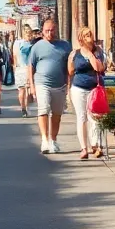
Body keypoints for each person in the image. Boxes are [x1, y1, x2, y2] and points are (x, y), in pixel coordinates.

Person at [27, 19, 71, 154]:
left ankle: (53, 140)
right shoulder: (37, 46)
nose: (49, 33)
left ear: (56, 30)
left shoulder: (65, 46)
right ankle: (44, 140)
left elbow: (69, 66)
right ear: (42, 31)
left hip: (60, 85)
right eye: (47, 31)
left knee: (57, 115)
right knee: (43, 110)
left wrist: (69, 85)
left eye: (52, 30)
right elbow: (31, 66)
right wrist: (32, 86)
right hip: (42, 83)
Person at [69, 27, 107, 160]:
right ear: (81, 38)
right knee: (82, 117)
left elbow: (100, 68)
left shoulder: (98, 52)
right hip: (79, 88)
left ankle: (96, 145)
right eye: (86, 35)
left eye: (90, 34)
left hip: (94, 89)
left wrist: (91, 55)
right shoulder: (75, 53)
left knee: (95, 117)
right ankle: (84, 148)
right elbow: (70, 71)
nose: (89, 37)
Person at [12, 25, 34, 118]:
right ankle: (26, 107)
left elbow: (14, 57)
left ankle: (23, 109)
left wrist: (15, 69)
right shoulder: (32, 44)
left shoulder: (17, 43)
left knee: (21, 91)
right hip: (28, 69)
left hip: (19, 69)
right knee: (28, 91)